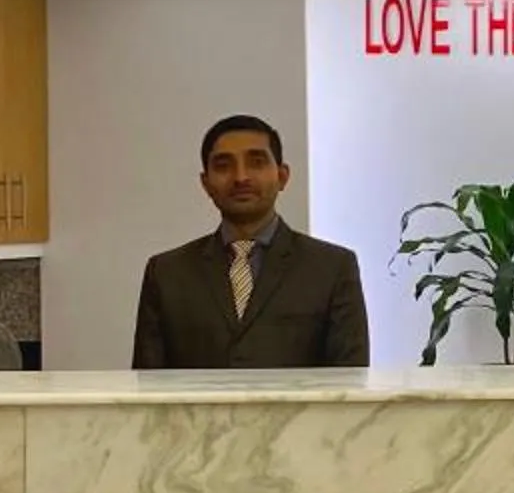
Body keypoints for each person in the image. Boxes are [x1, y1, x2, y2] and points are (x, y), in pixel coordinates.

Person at [132, 114, 370, 368]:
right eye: (224, 166)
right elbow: (147, 388)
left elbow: (350, 383)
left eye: (256, 163)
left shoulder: (332, 268)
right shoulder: (167, 273)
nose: (241, 177)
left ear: (282, 176)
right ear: (206, 184)